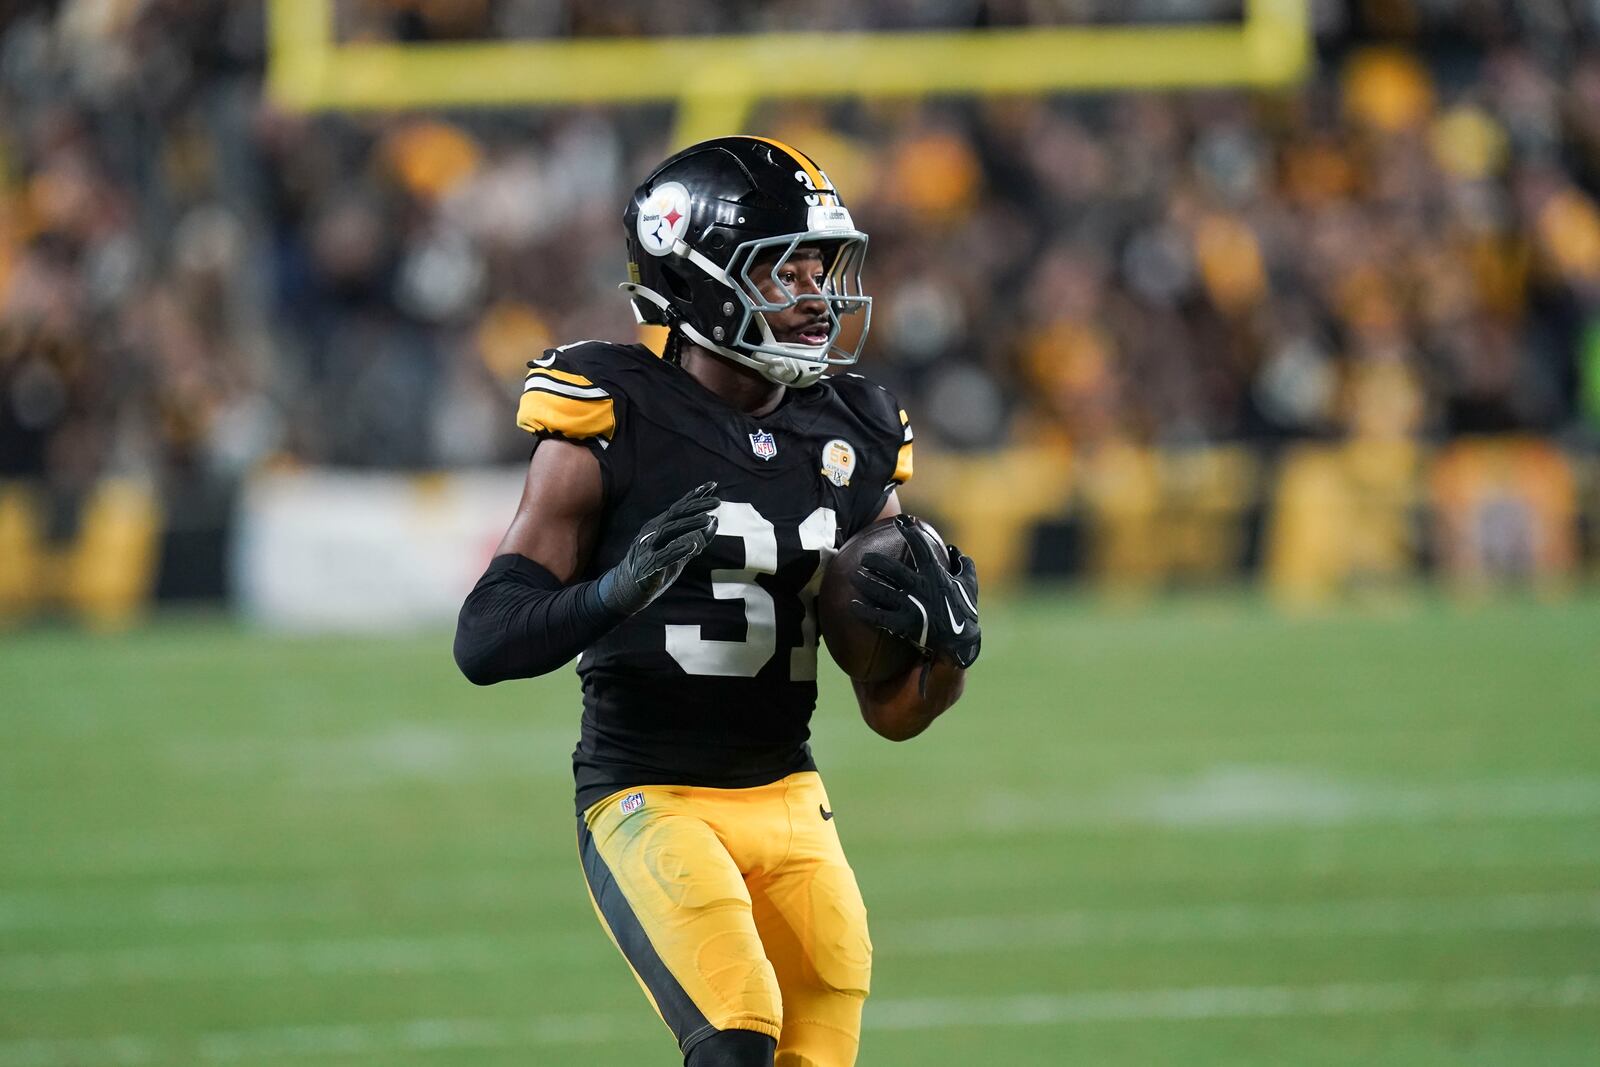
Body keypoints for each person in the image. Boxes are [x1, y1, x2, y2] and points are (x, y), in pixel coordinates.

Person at [453, 136, 981, 1067]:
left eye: (821, 266)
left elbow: (892, 714)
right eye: (784, 270)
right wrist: (617, 592)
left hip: (788, 790)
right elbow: (484, 640)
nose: (818, 293)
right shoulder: (612, 410)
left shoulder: (853, 428)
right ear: (696, 283)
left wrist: (945, 659)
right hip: (648, 793)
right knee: (736, 1031)